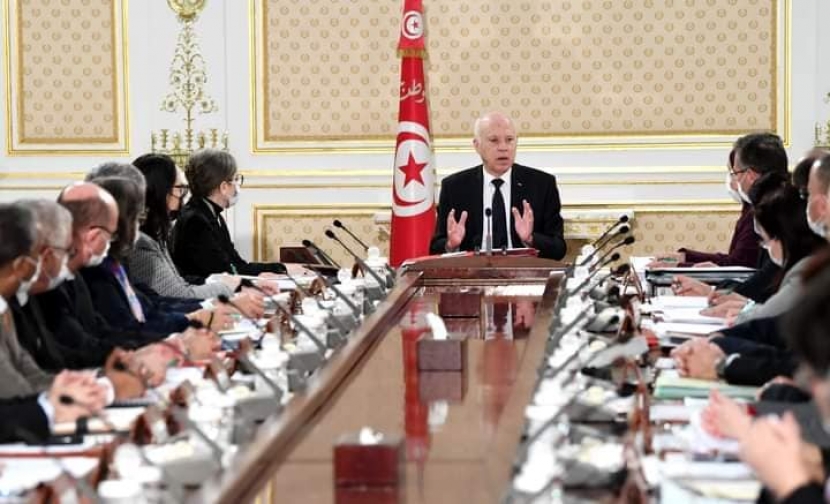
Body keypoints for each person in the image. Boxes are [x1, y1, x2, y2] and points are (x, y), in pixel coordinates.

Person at [38, 183, 216, 369]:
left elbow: (113, 325)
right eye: (111, 233)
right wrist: (169, 345)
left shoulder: (89, 269)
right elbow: (80, 346)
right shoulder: (69, 277)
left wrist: (171, 341)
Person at [81, 175, 232, 336]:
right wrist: (196, 319)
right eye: (134, 218)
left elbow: (153, 303)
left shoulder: (118, 261)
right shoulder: (96, 270)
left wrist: (208, 306)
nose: (137, 228)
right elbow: (127, 328)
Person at [128, 154, 265, 319]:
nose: (184, 196)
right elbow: (179, 294)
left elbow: (180, 282)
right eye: (180, 189)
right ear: (161, 193)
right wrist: (228, 288)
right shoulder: (142, 243)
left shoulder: (156, 234)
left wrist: (223, 282)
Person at [667, 133, 789, 301]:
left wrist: (712, 291)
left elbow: (763, 286)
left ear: (750, 176)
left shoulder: (777, 212)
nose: (733, 181)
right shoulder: (776, 204)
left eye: (735, 173)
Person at [429, 112, 566, 260]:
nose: (503, 147)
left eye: (509, 140)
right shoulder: (454, 187)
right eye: (494, 140)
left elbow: (559, 249)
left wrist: (530, 239)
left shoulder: (542, 185)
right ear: (477, 145)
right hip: (473, 271)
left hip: (524, 271)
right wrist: (451, 245)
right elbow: (435, 249)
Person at [171, 149, 288, 281]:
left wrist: (279, 268)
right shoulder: (196, 221)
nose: (238, 185)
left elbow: (235, 264)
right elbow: (225, 271)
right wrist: (276, 270)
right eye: (236, 179)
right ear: (224, 187)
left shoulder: (212, 215)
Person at [650, 149, 761, 268]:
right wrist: (685, 257)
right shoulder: (749, 209)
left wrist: (678, 266)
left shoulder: (758, 213)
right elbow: (736, 259)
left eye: (733, 173)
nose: (730, 182)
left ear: (751, 176)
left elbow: (739, 265)